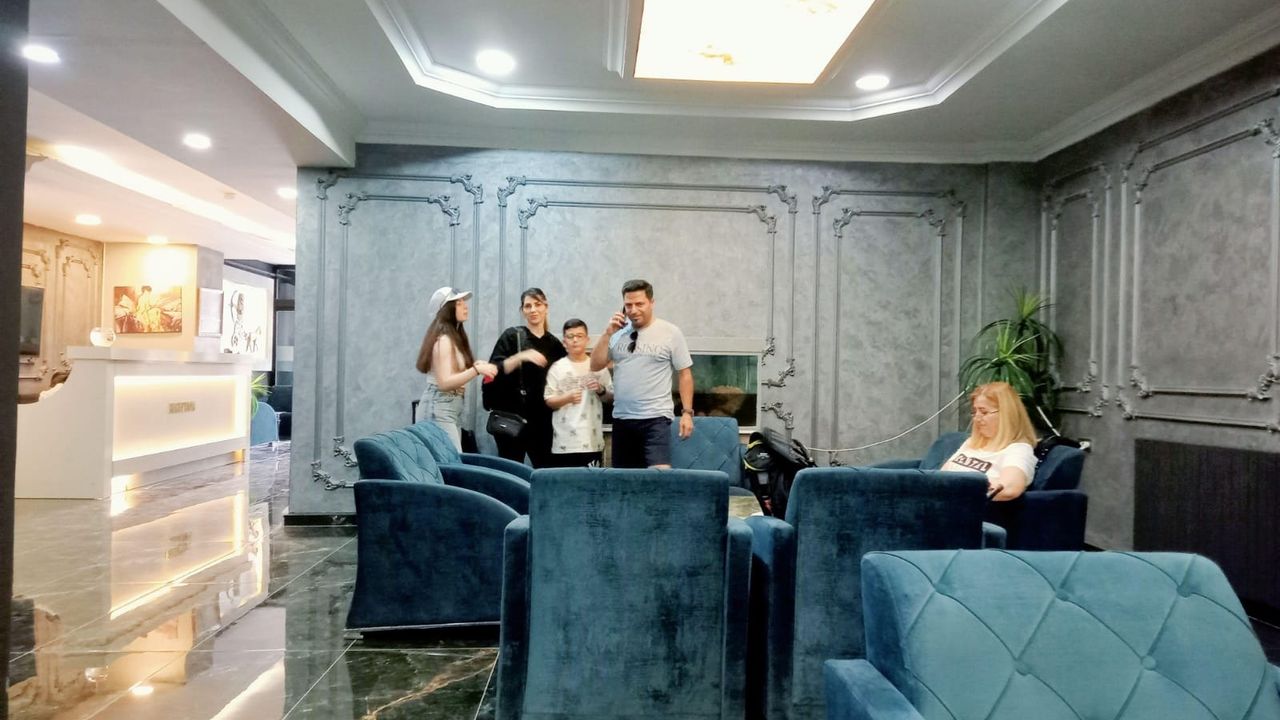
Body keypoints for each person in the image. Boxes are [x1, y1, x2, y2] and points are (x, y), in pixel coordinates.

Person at [591, 279, 693, 469]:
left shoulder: (670, 332)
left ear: (651, 303)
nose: (633, 310)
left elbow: (685, 374)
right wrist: (607, 333)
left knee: (659, 475)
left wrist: (687, 413)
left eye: (639, 304)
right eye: (628, 305)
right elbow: (595, 365)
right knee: (624, 480)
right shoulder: (617, 334)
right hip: (622, 419)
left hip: (656, 419)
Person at [486, 288, 567, 467]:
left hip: (543, 421)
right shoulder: (511, 336)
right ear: (522, 310)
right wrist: (521, 356)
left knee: (546, 471)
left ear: (546, 307)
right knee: (512, 472)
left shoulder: (554, 344)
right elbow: (493, 370)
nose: (533, 310)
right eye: (528, 306)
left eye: (538, 304)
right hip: (512, 419)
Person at [414, 287, 497, 451]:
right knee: (451, 462)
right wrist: (476, 370)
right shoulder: (444, 340)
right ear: (447, 309)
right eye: (458, 303)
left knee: (450, 461)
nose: (465, 306)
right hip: (439, 408)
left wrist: (476, 367)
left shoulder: (452, 338)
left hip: (448, 408)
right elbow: (444, 383)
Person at [940, 381, 1039, 501]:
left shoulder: (1018, 450)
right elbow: (940, 476)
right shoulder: (972, 442)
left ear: (1006, 414)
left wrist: (957, 487)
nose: (976, 418)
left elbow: (1008, 489)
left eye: (984, 412)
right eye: (975, 412)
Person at [544, 319, 614, 467]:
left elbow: (611, 398)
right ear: (564, 342)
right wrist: (566, 398)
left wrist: (600, 390)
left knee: (591, 480)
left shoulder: (598, 366)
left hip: (591, 442)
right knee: (565, 481)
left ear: (587, 340)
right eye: (570, 336)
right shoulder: (557, 368)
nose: (575, 340)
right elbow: (549, 400)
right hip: (563, 443)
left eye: (579, 336)